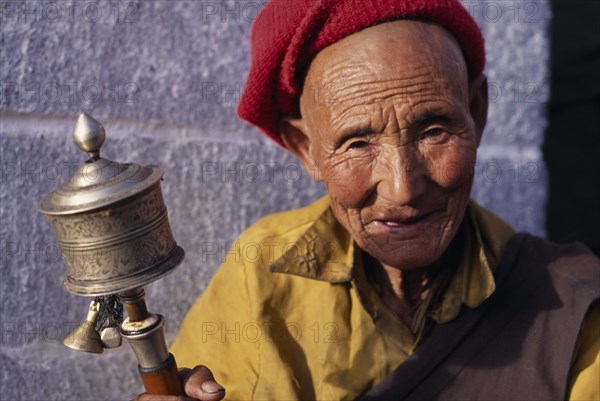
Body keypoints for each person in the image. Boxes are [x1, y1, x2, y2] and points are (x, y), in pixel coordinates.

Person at [135, 0, 599, 400]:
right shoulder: (263, 272)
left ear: (476, 114)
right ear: (306, 150)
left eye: (434, 130)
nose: (403, 189)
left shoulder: (572, 307)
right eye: (358, 144)